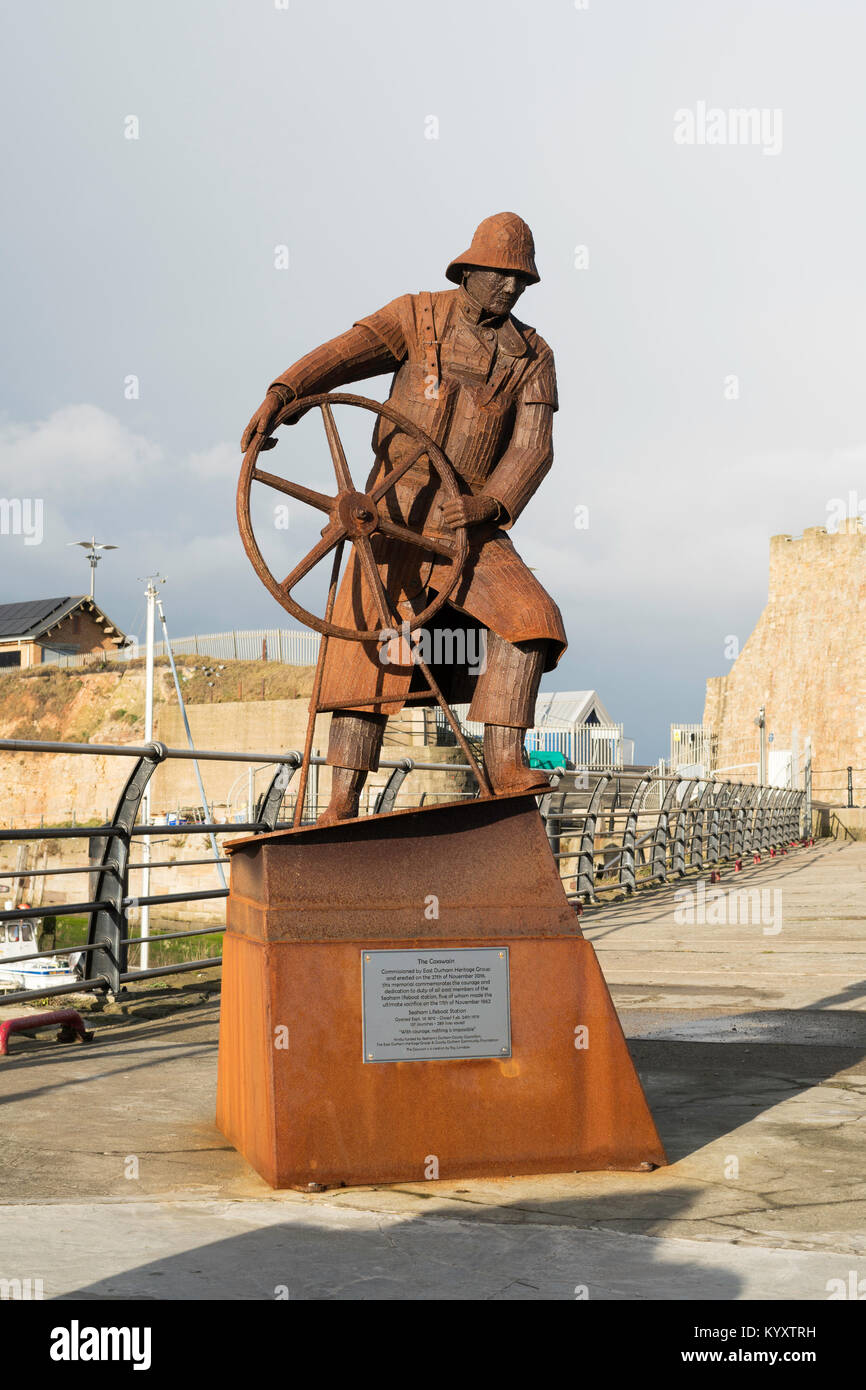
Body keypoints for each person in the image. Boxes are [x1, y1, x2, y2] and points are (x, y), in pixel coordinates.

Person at [242, 213, 567, 823]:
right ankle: (340, 803)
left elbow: (533, 448)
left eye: (520, 279)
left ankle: (503, 763)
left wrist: (489, 504)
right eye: (500, 274)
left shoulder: (534, 356)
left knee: (532, 619)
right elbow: (343, 355)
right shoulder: (415, 317)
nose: (510, 288)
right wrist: (284, 393)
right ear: (468, 270)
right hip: (385, 517)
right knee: (366, 658)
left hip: (467, 526)